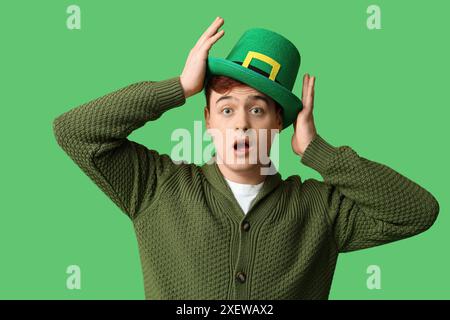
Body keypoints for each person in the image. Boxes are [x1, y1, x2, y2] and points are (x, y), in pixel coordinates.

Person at [53, 17, 440, 299]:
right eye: (226, 109)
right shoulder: (155, 187)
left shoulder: (320, 209)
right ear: (207, 120)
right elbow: (74, 131)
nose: (241, 125)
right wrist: (180, 87)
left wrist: (317, 151)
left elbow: (417, 211)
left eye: (257, 111)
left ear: (279, 123)